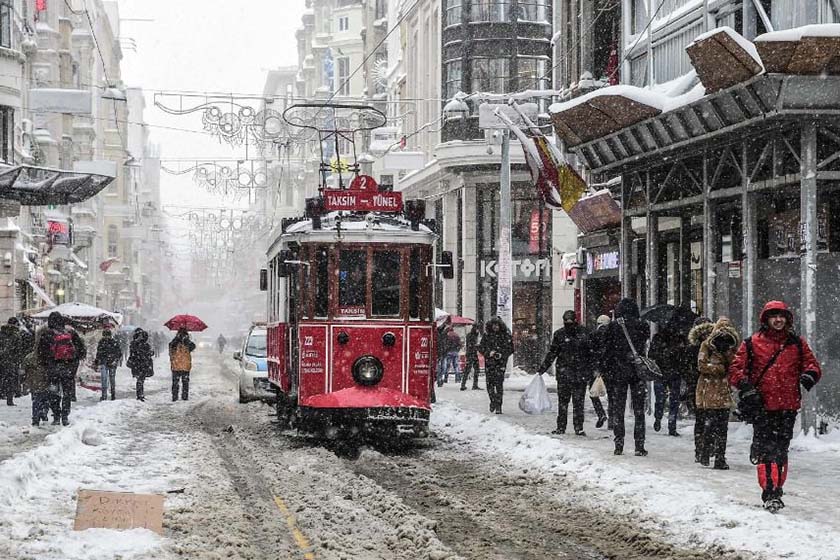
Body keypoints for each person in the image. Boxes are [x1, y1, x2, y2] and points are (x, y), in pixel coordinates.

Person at [729, 300, 821, 513]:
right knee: (768, 450)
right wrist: (746, 387)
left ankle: (777, 488)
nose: (778, 320)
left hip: (788, 406)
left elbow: (812, 364)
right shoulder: (751, 344)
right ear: (766, 319)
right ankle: (770, 492)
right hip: (762, 406)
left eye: (782, 316)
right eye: (774, 316)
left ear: (787, 319)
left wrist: (809, 375)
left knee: (781, 450)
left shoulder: (796, 344)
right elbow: (735, 369)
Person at [602, 298, 651, 456]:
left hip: (618, 372)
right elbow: (643, 346)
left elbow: (607, 351)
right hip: (637, 371)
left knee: (618, 409)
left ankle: (619, 443)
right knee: (638, 410)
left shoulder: (613, 327)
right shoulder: (643, 326)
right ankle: (639, 445)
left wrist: (607, 370)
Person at [538, 310, 594, 436]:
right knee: (572, 402)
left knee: (571, 402)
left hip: (572, 373)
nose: (568, 324)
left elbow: (553, 353)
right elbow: (553, 352)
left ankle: (568, 426)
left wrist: (544, 368)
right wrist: (543, 368)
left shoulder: (564, 334)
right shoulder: (581, 333)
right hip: (574, 373)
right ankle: (573, 426)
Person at [696, 318, 740, 469]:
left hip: (724, 391)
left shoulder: (732, 347)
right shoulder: (707, 346)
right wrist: (719, 368)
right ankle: (705, 452)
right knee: (710, 424)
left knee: (722, 427)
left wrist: (728, 355)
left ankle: (720, 457)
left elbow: (736, 366)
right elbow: (701, 366)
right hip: (709, 389)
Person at [649, 306, 695, 436]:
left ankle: (666, 422)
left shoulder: (675, 339)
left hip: (667, 372)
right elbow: (652, 354)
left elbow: (652, 354)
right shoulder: (668, 339)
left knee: (665, 398)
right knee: (668, 399)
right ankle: (667, 422)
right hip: (667, 371)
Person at [37, 312, 84, 426]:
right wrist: (72, 364)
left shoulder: (46, 334)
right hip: (68, 369)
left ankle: (56, 415)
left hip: (52, 369)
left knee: (53, 392)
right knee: (67, 393)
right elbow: (81, 351)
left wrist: (46, 365)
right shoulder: (71, 333)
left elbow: (40, 353)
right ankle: (65, 416)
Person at [688, 317, 715, 459]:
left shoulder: (692, 348)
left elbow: (687, 369)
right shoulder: (714, 345)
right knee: (710, 418)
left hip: (698, 386)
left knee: (701, 418)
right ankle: (707, 447)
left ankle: (701, 448)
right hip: (711, 385)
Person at [478, 317, 514, 414]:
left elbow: (511, 349)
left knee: (498, 385)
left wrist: (501, 354)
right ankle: (493, 401)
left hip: (500, 363)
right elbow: (481, 348)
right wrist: (489, 353)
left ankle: (498, 405)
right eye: (493, 325)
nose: (495, 327)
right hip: (489, 363)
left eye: (497, 325)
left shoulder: (505, 335)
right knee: (489, 385)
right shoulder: (487, 335)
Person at [21, 330, 53, 426]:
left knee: (36, 400)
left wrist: (25, 377)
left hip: (34, 381)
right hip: (45, 380)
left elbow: (23, 368)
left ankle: (36, 418)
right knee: (45, 399)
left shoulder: (31, 356)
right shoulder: (49, 354)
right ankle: (43, 413)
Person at [592, 314, 613, 428]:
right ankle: (612, 420)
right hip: (610, 368)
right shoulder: (613, 335)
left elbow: (591, 352)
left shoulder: (594, 335)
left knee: (594, 392)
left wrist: (596, 367)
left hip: (597, 369)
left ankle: (601, 413)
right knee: (611, 395)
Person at [93, 329, 122, 401]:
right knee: (104, 379)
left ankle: (112, 394)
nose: (106, 337)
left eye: (107, 335)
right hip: (105, 362)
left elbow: (119, 353)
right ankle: (104, 395)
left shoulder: (112, 342)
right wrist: (97, 361)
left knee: (110, 379)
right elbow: (99, 352)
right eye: (105, 335)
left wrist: (115, 360)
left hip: (110, 362)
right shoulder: (106, 342)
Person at [0, 318, 23, 406]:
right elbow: (18, 350)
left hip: (1, 360)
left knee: (2, 378)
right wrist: (18, 361)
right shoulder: (16, 335)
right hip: (12, 362)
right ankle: (9, 400)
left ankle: (1, 394)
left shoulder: (1, 333)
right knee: (11, 380)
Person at [169, 328, 196, 401]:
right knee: (185, 382)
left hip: (176, 365)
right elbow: (193, 347)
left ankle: (175, 397)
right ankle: (184, 396)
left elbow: (170, 350)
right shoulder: (187, 342)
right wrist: (187, 341)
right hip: (185, 365)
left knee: (175, 382)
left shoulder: (174, 342)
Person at [128, 328, 155, 401]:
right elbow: (136, 353)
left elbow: (149, 353)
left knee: (140, 380)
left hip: (140, 365)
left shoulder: (141, 344)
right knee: (140, 380)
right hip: (140, 364)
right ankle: (140, 395)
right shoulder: (136, 344)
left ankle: (140, 394)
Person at [460, 322, 482, 391]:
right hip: (471, 354)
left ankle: (466, 384)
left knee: (471, 369)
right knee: (470, 369)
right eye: (478, 328)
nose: (478, 330)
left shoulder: (472, 334)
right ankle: (466, 385)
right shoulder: (472, 335)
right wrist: (478, 346)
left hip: (471, 353)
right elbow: (472, 345)